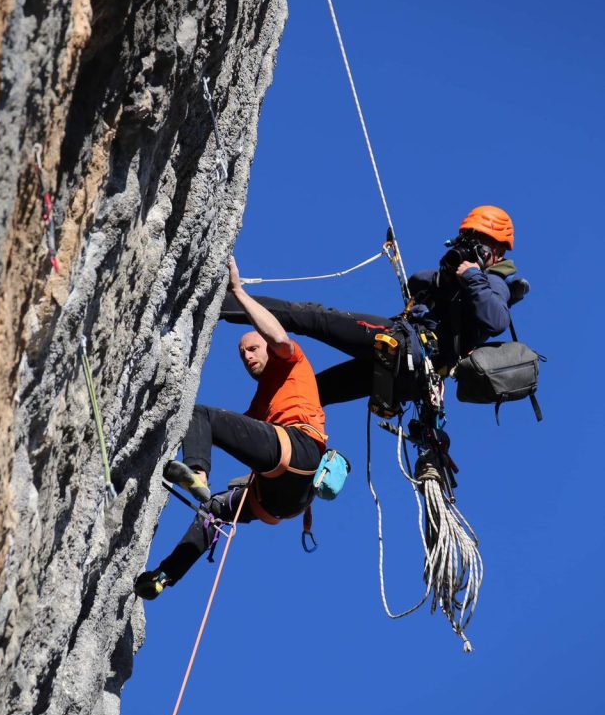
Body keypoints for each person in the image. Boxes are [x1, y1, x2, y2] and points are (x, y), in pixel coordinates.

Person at [134, 258, 328, 601]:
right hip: (282, 500)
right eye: (242, 354)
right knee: (214, 510)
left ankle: (197, 474)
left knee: (201, 415)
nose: (247, 357)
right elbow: (232, 434)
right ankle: (163, 576)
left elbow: (277, 335)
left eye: (253, 349)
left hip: (301, 449)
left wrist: (238, 292)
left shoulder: (291, 361)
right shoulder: (259, 406)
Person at [220, 206, 527, 411]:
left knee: (314, 317)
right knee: (313, 392)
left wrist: (471, 277)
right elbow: (416, 283)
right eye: (467, 240)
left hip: (404, 347)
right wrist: (446, 279)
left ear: (498, 253)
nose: (470, 248)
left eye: (479, 243)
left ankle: (224, 303)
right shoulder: (461, 280)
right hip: (407, 373)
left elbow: (497, 320)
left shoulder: (493, 283)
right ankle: (257, 434)